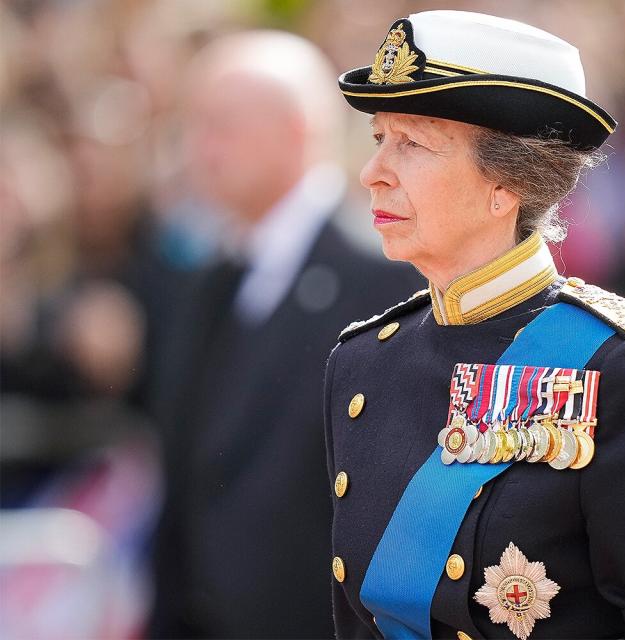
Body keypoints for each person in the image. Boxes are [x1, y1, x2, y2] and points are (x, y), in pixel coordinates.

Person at [324, 11, 625, 639]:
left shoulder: (622, 366)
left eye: (412, 144)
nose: (373, 170)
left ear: (505, 184)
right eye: (380, 137)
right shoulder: (362, 363)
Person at [148, 31, 421, 639]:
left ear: (296, 131)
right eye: (193, 127)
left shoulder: (380, 283)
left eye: (221, 126)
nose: (199, 150)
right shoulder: (208, 281)